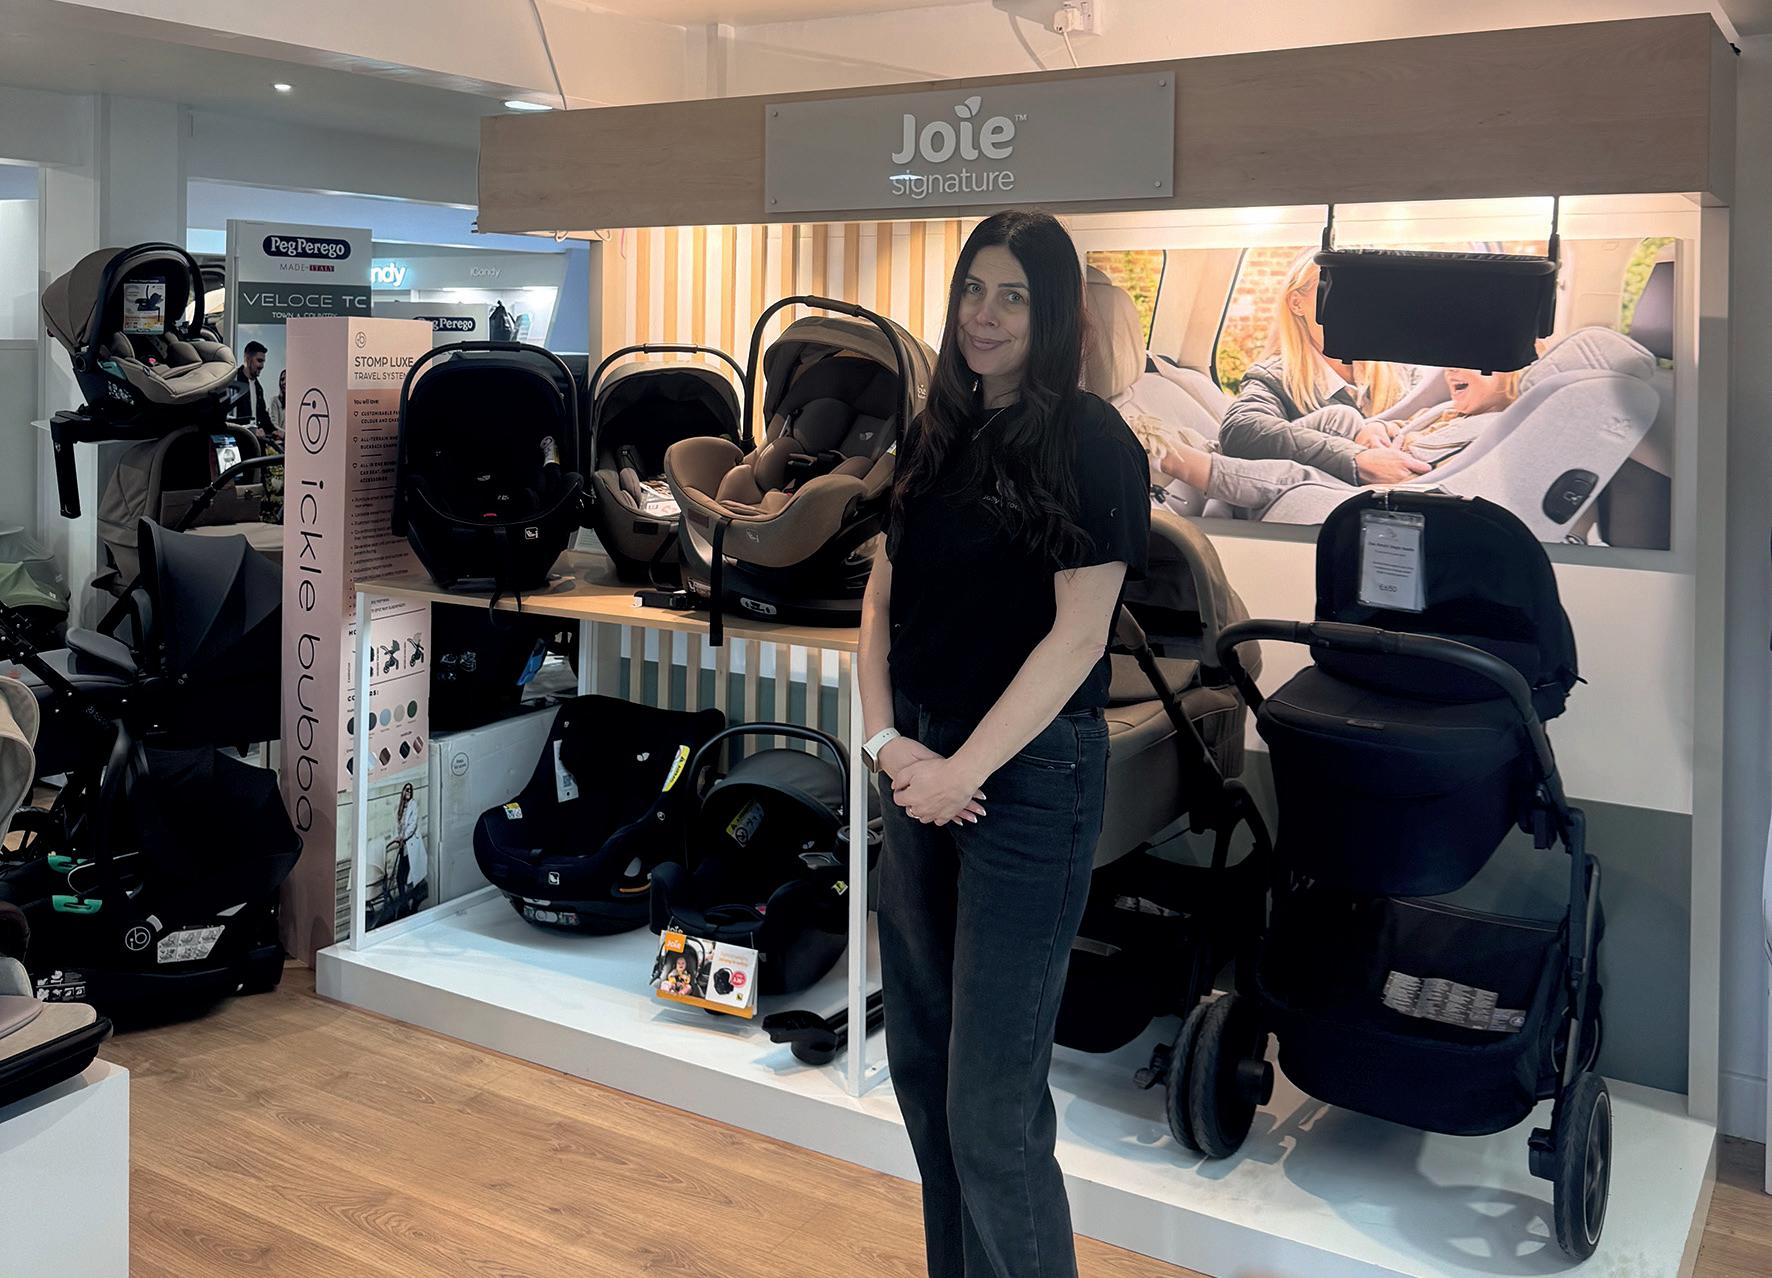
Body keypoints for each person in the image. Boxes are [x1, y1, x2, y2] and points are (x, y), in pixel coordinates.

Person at [857, 210, 1150, 1278]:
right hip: (920, 765)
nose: (985, 316)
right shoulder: (933, 432)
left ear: (1053, 311)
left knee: (990, 1107)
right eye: (973, 290)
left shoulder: (1092, 442)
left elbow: (1078, 637)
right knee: (923, 1074)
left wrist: (959, 773)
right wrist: (887, 744)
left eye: (1013, 296)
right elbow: (879, 602)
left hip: (1026, 779)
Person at [1157, 367, 1521, 514]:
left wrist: (1384, 459)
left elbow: (1441, 477)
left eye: (1477, 363)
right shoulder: (1451, 409)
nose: (1452, 369)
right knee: (1343, 417)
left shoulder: (1493, 428)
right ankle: (1222, 468)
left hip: (1399, 493)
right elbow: (1410, 426)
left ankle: (1171, 459)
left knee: (1296, 476)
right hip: (1386, 460)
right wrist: (1384, 432)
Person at [1218, 251, 1423, 485]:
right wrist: (1353, 458)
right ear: (1297, 303)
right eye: (1340, 294)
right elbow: (1240, 430)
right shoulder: (1275, 378)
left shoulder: (1402, 371)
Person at [230, 340, 275, 439]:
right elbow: (227, 418)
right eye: (259, 360)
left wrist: (274, 431)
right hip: (238, 441)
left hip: (255, 442)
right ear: (247, 358)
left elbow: (262, 415)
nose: (262, 366)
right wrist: (250, 430)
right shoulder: (233, 381)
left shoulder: (258, 388)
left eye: (263, 362)